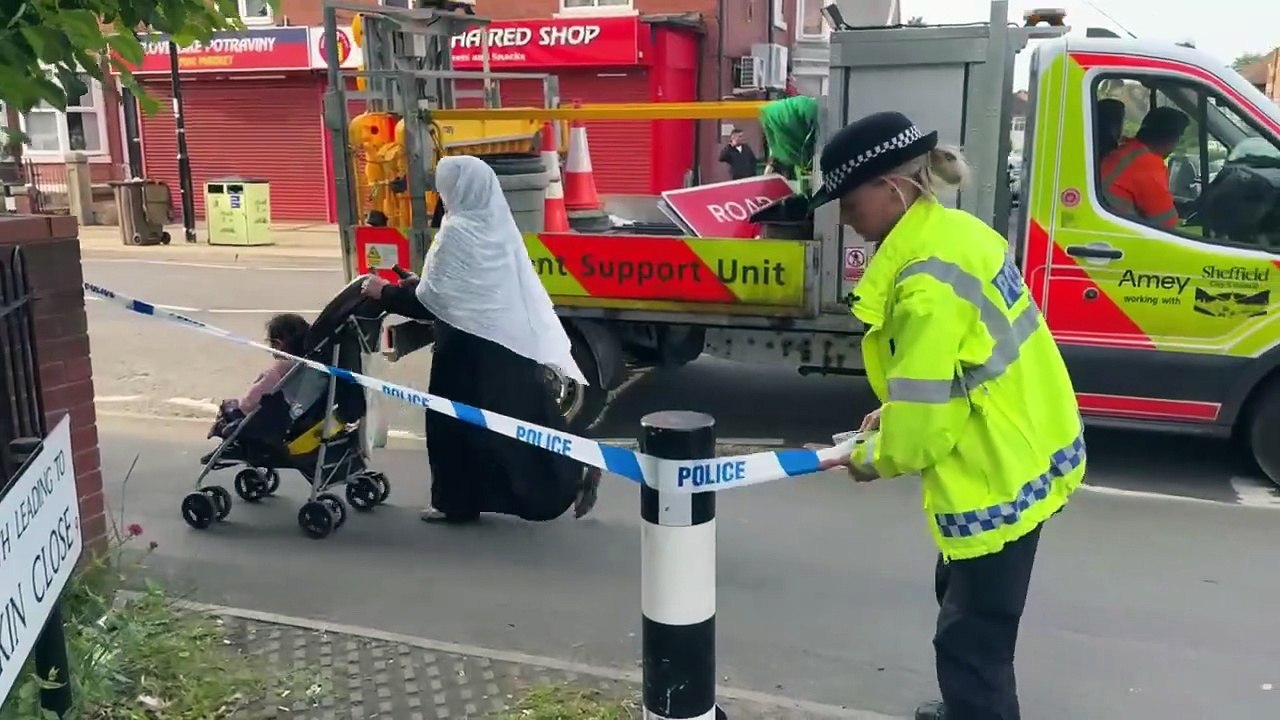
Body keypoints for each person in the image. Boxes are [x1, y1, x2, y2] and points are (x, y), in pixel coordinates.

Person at [810, 111, 1086, 720]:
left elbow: (921, 435)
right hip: (1031, 446)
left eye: (849, 203)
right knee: (968, 609)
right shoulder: (959, 233)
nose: (844, 219)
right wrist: (897, 411)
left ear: (892, 187)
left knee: (971, 644)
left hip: (993, 472)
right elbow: (964, 367)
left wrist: (867, 455)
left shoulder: (923, 287)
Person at [360, 155, 602, 523]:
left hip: (467, 352)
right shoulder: (498, 226)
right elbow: (459, 291)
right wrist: (420, 285)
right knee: (522, 423)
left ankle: (456, 503)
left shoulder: (457, 231)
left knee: (454, 426)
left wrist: (385, 293)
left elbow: (435, 302)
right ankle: (572, 471)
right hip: (510, 344)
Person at [209, 313, 310, 439]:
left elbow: (249, 403)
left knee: (228, 408)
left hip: (269, 421)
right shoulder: (309, 369)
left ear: (277, 344)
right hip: (296, 417)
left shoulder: (277, 372)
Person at [1100, 106, 1190, 228]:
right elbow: (1166, 223)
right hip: (1120, 232)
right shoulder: (1147, 164)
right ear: (1171, 139)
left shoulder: (1126, 151)